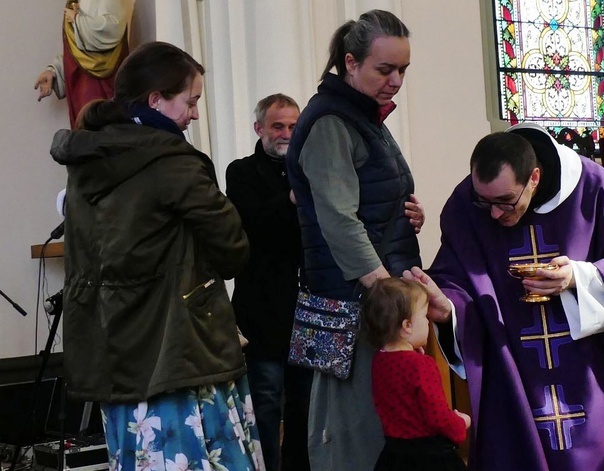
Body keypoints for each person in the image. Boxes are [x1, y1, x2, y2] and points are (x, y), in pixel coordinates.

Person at [406, 122, 604, 470]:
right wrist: (449, 310)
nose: (494, 214)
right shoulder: (466, 203)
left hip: (591, 367)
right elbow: (454, 279)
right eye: (485, 202)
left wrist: (579, 276)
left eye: (505, 201)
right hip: (514, 370)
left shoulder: (593, 188)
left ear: (534, 177)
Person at [50, 41, 265, 471]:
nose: (195, 113)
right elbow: (232, 250)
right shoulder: (173, 163)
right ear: (155, 100)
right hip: (178, 352)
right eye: (191, 101)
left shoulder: (85, 163)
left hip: (115, 353)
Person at [286, 9, 425, 470]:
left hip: (368, 296)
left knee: (381, 427)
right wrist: (385, 288)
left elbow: (369, 199)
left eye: (403, 69)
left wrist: (407, 215)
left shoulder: (362, 116)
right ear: (350, 62)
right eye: (385, 69)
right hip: (351, 303)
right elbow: (338, 219)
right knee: (349, 436)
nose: (396, 80)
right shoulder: (330, 121)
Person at [226, 93, 313, 471]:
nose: (287, 133)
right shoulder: (241, 171)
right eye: (278, 125)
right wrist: (292, 199)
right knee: (264, 405)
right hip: (262, 311)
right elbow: (249, 226)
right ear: (259, 128)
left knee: (306, 408)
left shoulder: (312, 169)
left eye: (294, 126)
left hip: (309, 310)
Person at [361, 277, 470, 471]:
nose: (428, 323)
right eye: (424, 317)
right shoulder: (421, 365)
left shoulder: (379, 360)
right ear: (407, 326)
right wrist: (460, 423)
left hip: (394, 456)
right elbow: (436, 416)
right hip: (429, 458)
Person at [35, 0, 133, 127]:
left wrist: (77, 20)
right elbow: (78, 53)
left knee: (101, 129)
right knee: (84, 131)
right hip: (83, 84)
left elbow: (112, 28)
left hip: (103, 83)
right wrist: (54, 71)